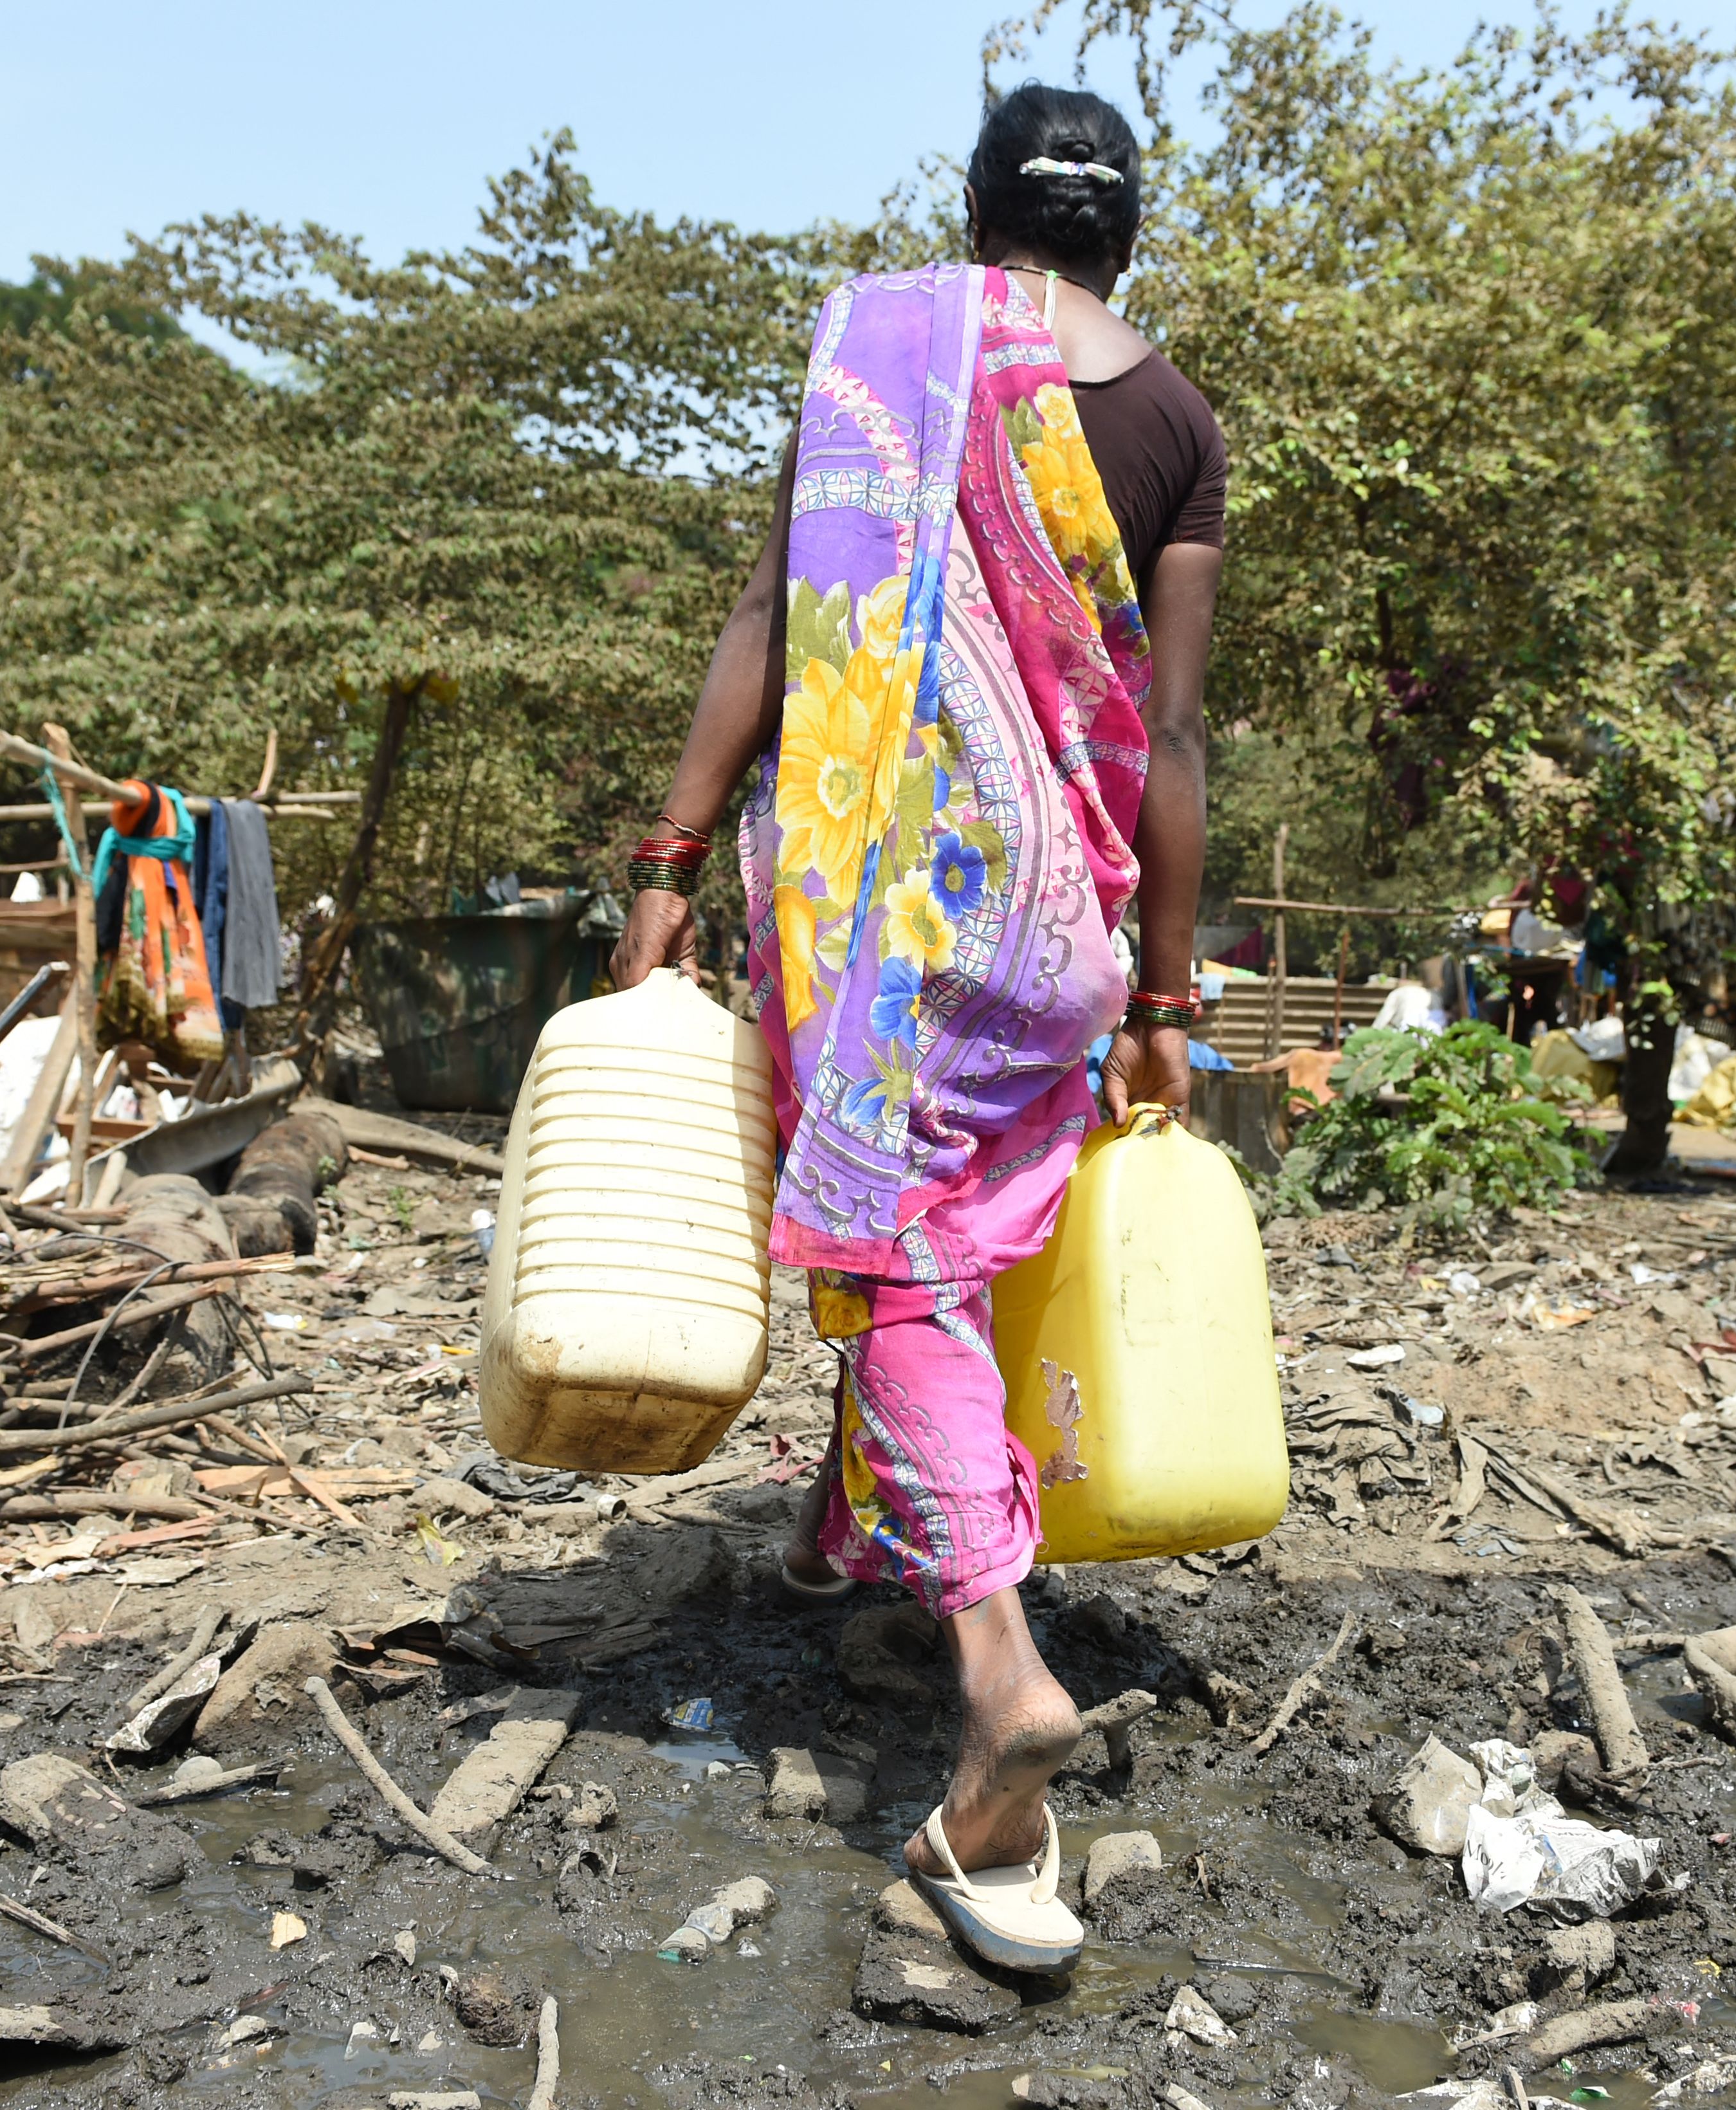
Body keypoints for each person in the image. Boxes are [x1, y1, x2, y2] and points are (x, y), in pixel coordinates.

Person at [607, 83, 1225, 1972]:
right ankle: (837, 1523)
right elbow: (1175, 732)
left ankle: (997, 1670)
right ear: (1129, 235)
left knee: (888, 1257)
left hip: (872, 898)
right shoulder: (1177, 423)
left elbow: (774, 627)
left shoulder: (890, 350)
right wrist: (1172, 988)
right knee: (935, 1242)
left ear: (973, 223)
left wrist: (669, 860)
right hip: (1057, 918)